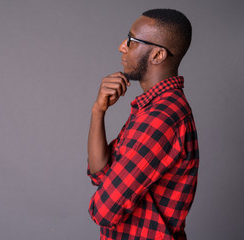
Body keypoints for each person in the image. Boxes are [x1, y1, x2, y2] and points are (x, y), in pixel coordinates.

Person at [87, 9, 199, 240]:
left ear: (158, 55)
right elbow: (100, 174)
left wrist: (106, 192)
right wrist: (98, 111)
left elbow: (104, 211)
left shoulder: (162, 117)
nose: (122, 47)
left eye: (131, 41)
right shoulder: (151, 108)